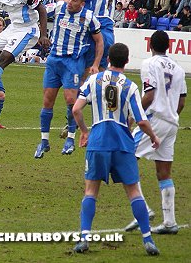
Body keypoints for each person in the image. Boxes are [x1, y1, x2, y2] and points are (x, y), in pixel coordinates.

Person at [72, 42, 160, 256]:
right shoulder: (130, 86)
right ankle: (148, 240)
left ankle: (84, 239)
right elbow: (141, 121)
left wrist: (84, 131)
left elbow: (76, 109)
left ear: (108, 60)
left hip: (99, 141)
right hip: (122, 143)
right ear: (127, 61)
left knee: (91, 190)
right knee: (133, 192)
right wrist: (154, 137)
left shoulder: (94, 80)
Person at [125, 30, 187, 234]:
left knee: (125, 158)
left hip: (155, 119)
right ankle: (169, 222)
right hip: (171, 123)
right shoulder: (178, 68)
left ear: (150, 45)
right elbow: (182, 101)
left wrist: (134, 116)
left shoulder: (149, 64)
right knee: (164, 172)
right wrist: (171, 115)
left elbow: (149, 95)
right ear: (168, 46)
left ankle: (143, 210)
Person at [34, 0, 103, 159]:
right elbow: (39, 9)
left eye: (73, 0)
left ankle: (70, 139)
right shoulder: (59, 7)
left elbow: (99, 41)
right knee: (47, 101)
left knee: (71, 100)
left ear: (82, 4)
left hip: (73, 62)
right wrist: (42, 33)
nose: (70, 2)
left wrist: (95, 64)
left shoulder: (89, 17)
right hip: (53, 60)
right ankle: (44, 142)